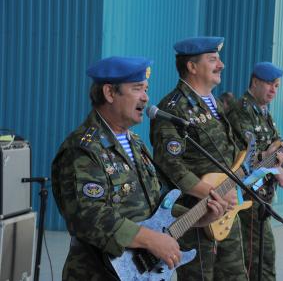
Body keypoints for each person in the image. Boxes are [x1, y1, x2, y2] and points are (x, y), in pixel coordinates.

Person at [51, 56, 228, 280]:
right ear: (109, 93)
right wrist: (150, 239)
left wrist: (198, 217)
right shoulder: (82, 149)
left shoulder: (135, 144)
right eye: (137, 89)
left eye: (146, 89)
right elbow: (88, 216)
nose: (146, 98)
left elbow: (157, 205)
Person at [150, 37, 248, 281]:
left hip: (226, 210)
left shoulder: (215, 104)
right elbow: (169, 163)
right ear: (192, 67)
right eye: (213, 60)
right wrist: (211, 192)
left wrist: (269, 160)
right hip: (196, 214)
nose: (221, 65)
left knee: (235, 276)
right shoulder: (173, 108)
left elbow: (231, 155)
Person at [226, 62, 283, 281]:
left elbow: (279, 150)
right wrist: (273, 163)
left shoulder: (264, 114)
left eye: (277, 86)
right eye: (269, 84)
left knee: (264, 258)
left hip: (262, 198)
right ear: (255, 82)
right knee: (256, 261)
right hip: (247, 197)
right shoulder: (242, 110)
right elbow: (245, 157)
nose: (274, 90)